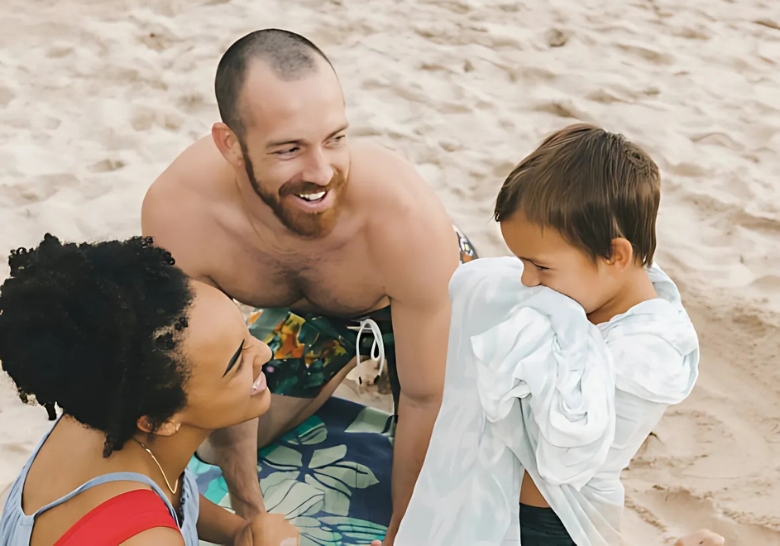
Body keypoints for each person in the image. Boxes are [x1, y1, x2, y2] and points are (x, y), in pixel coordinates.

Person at [141, 28, 477, 543]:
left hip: (424, 305)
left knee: (476, 456)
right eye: (289, 149)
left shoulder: (404, 219)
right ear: (231, 145)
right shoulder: (180, 217)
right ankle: (342, 360)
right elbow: (213, 363)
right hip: (313, 319)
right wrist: (250, 517)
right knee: (213, 435)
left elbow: (426, 400)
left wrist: (401, 535)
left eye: (335, 138)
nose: (321, 171)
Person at [394, 124, 723, 545]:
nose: (527, 281)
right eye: (522, 263)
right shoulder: (587, 291)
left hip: (557, 522)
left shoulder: (654, 348)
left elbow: (563, 444)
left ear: (614, 255)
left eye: (542, 267)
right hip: (509, 501)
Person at [0, 234, 299, 546]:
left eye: (247, 334)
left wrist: (237, 531)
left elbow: (165, 489)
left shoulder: (104, 411)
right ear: (161, 421)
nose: (264, 352)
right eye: (237, 361)